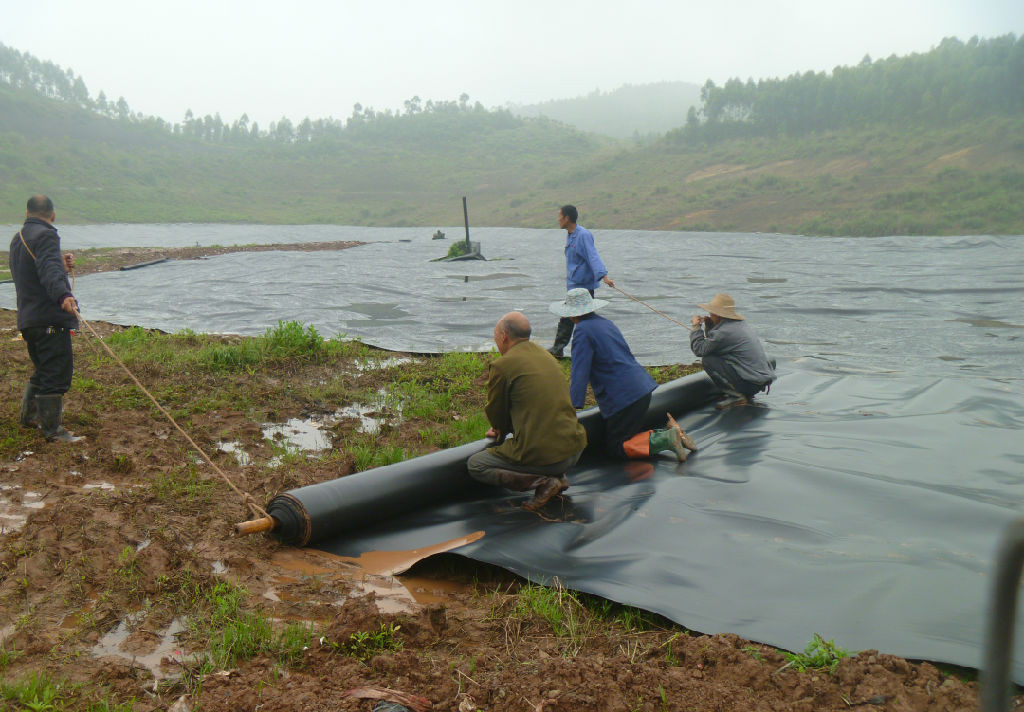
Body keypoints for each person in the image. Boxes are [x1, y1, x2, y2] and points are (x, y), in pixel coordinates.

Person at [550, 288, 697, 462]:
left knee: (616, 447)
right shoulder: (606, 323)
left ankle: (667, 438)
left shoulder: (582, 331)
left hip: (623, 398)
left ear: (570, 315)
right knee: (628, 435)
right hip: (640, 388)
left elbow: (580, 371)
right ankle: (673, 434)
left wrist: (573, 405)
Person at [467, 311, 587, 511]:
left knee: (476, 464)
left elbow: (497, 412)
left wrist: (499, 431)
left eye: (496, 336)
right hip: (575, 448)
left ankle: (543, 482)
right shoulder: (547, 356)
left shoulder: (502, 365)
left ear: (504, 336)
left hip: (548, 456)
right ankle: (556, 476)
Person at [9, 195, 84, 443]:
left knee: (43, 370)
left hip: (29, 320)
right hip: (49, 321)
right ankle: (53, 431)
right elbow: (49, 271)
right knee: (56, 373)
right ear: (52, 215)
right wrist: (63, 294)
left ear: (27, 213)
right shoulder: (47, 236)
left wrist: (60, 266)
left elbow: (36, 272)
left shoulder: (18, 239)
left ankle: (29, 417)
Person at [549, 204, 614, 358]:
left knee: (584, 320)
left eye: (560, 216)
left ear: (567, 218)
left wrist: (603, 276)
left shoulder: (583, 235)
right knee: (569, 318)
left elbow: (593, 256)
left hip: (583, 287)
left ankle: (590, 351)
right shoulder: (570, 235)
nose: (558, 219)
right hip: (573, 285)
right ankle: (559, 349)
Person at [689, 293, 776, 409]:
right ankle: (740, 392)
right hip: (759, 382)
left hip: (750, 384)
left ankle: (736, 396)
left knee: (708, 360)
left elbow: (700, 350)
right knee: (714, 356)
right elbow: (715, 345)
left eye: (712, 313)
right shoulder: (739, 324)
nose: (709, 314)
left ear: (718, 315)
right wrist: (710, 326)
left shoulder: (723, 332)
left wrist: (696, 328)